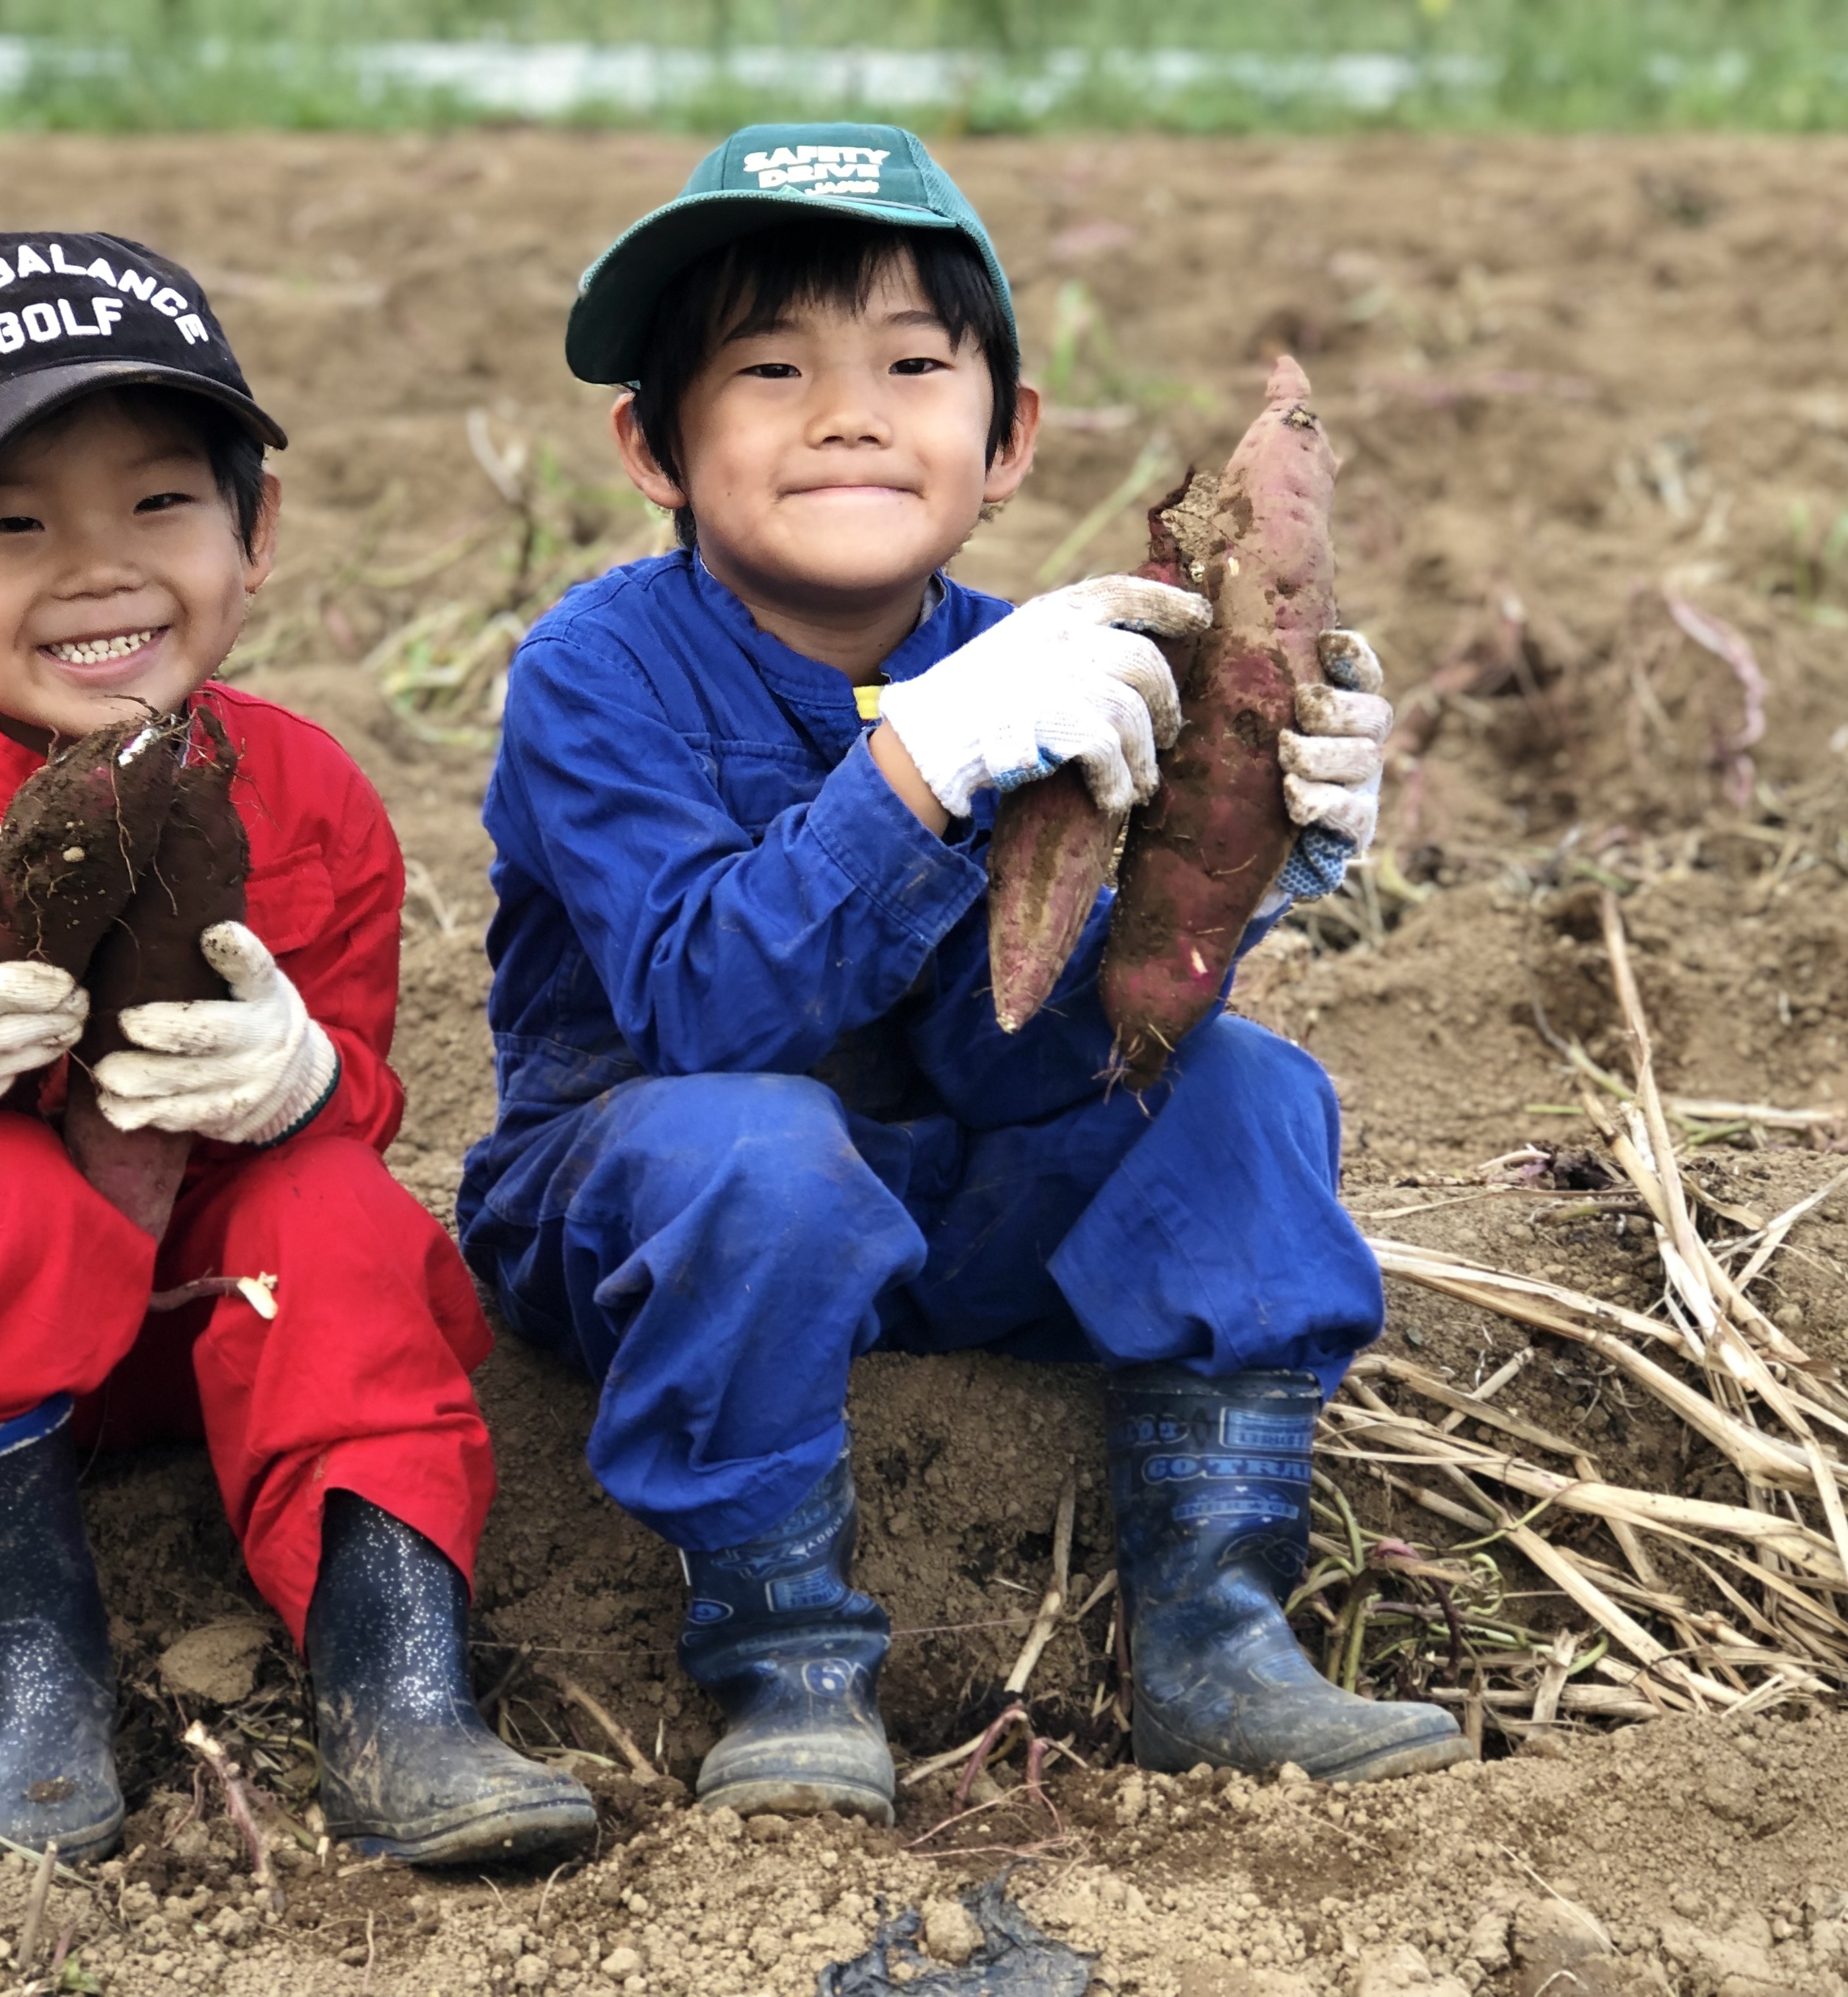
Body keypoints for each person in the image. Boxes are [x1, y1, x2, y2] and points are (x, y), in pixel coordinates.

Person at [457, 126, 1472, 1825]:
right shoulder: (597, 672)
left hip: (941, 1207)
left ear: (1005, 443)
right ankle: (786, 1647)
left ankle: (1217, 1620)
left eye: (914, 368)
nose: (848, 413)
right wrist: (918, 775)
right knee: (758, 1142)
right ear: (654, 443)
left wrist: (1231, 880)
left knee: (1246, 1089)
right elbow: (705, 1012)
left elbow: (1028, 1059)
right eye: (771, 369)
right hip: (645, 1219)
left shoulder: (1058, 669)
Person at [0, 232, 593, 1868]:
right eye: (12, 525)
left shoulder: (312, 795)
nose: (97, 568)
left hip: (201, 1314)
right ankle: (27, 1679)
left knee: (335, 1221)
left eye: (160, 504)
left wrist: (305, 1076)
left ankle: (399, 1695)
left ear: (256, 531)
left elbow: (360, 1103)